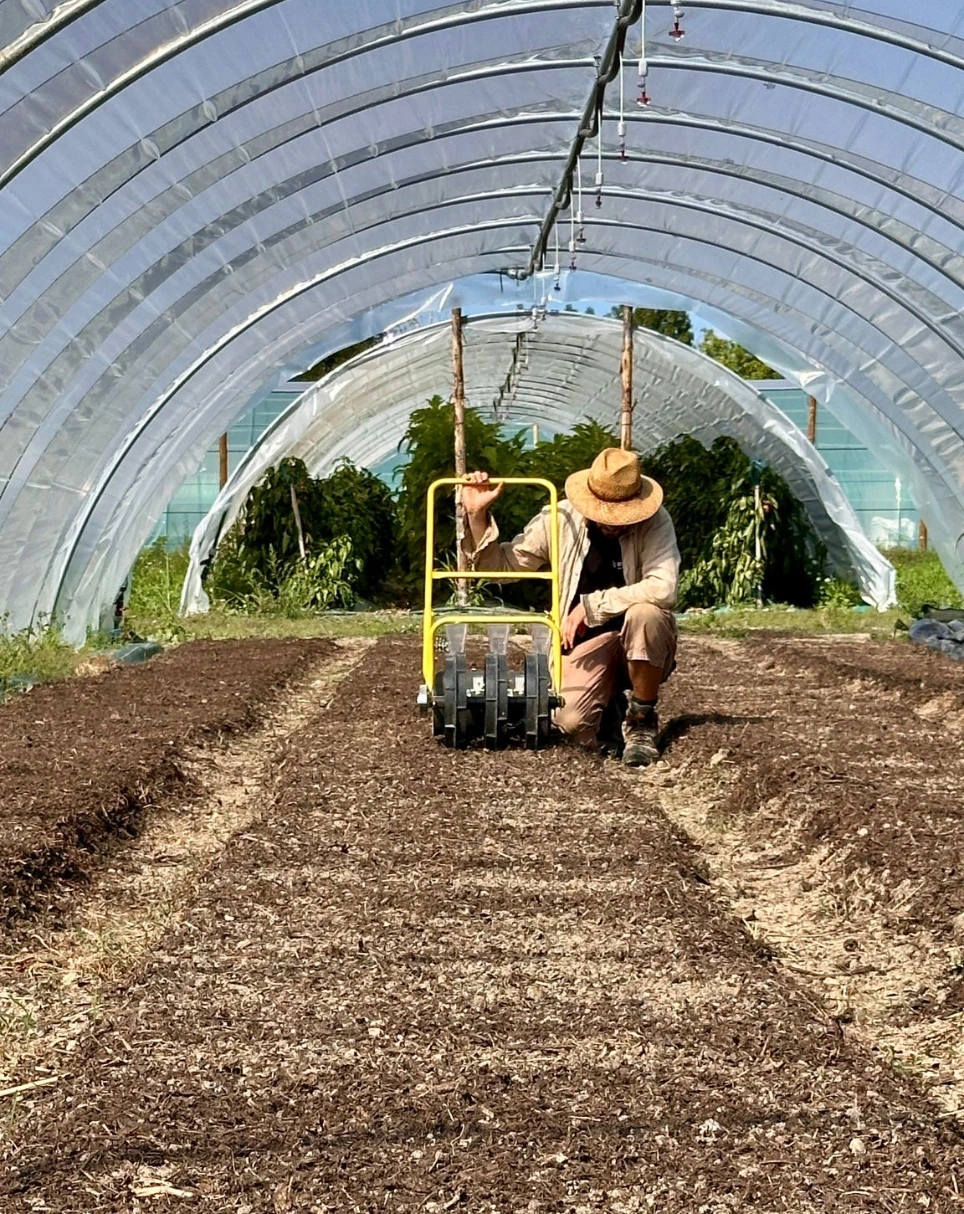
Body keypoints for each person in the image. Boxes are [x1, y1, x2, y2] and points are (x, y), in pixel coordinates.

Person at [461, 447, 680, 766]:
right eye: (605, 512)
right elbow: (504, 566)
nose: (613, 522)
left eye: (622, 514)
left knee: (646, 612)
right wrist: (477, 516)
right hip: (587, 641)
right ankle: (609, 708)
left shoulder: (655, 522)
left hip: (640, 639)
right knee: (570, 724)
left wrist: (591, 606)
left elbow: (664, 587)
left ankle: (641, 721)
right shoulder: (560, 518)